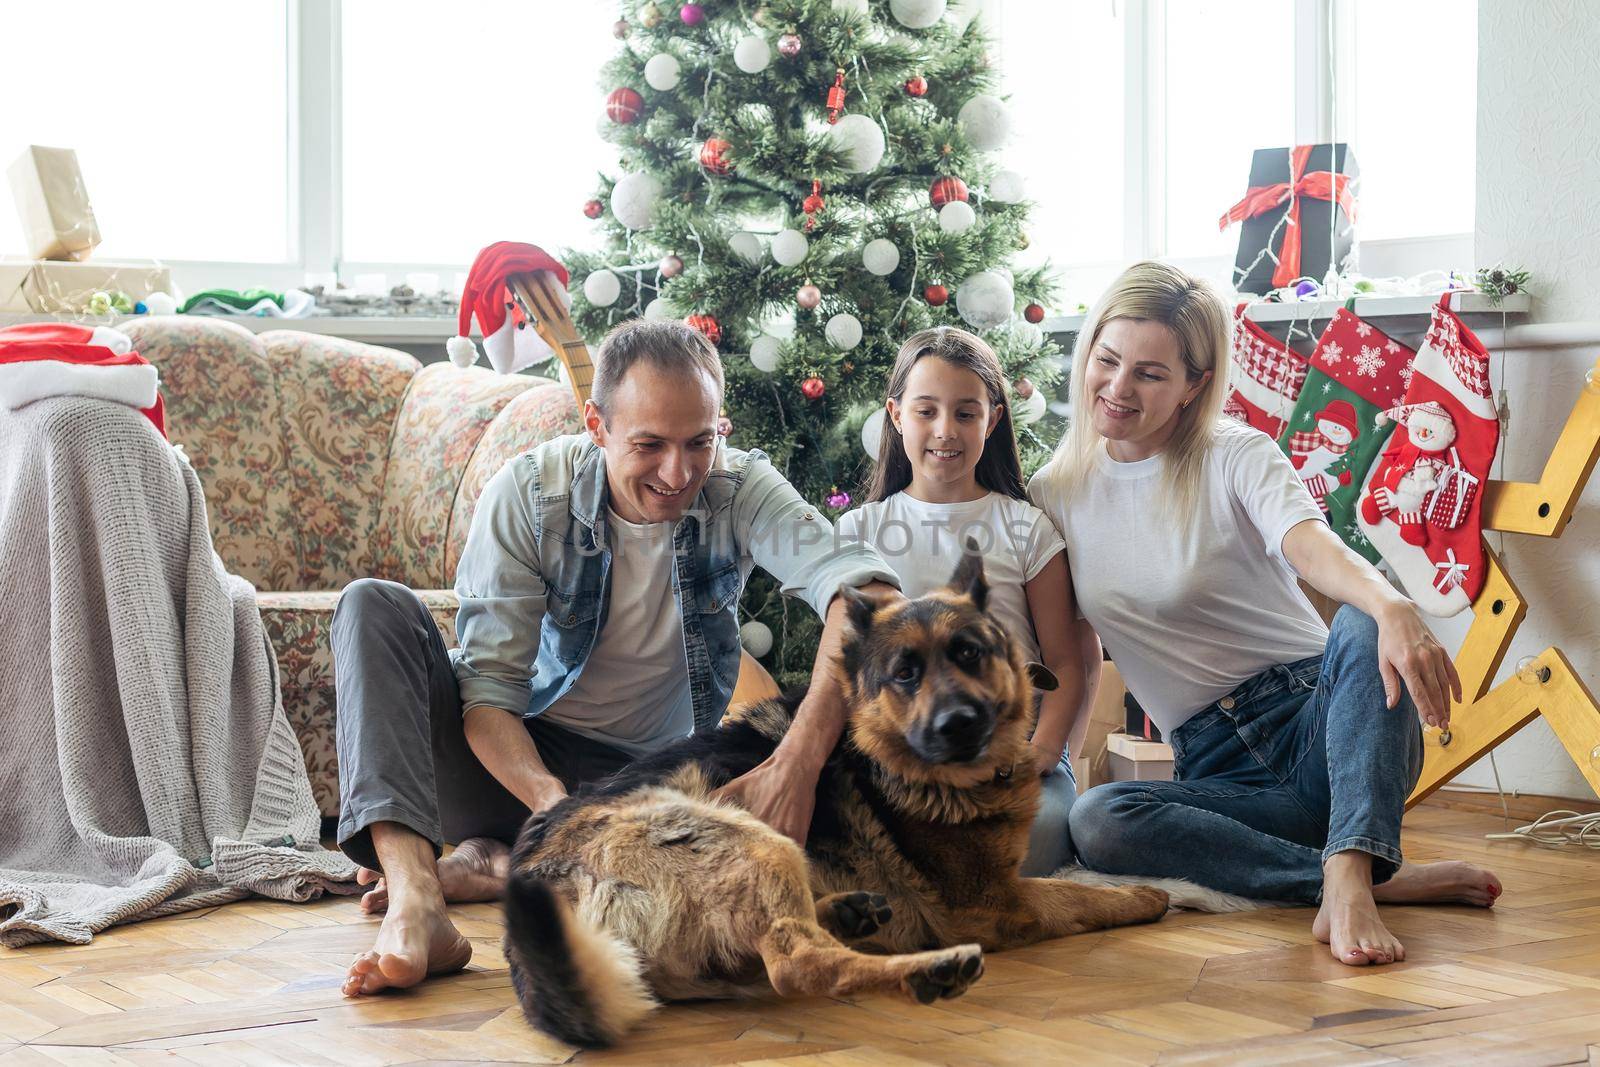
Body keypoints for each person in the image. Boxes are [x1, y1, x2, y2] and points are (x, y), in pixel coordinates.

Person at [332, 318, 898, 996]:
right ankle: (418, 897)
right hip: (508, 766)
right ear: (596, 424)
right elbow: (488, 698)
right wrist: (557, 809)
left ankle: (507, 864)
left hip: (644, 784)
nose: (678, 471)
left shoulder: (741, 487)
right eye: (649, 444)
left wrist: (795, 765)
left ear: (723, 425)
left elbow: (870, 594)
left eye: (700, 442)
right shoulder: (531, 494)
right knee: (370, 603)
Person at [1028, 261, 1501, 967]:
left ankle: (1350, 864)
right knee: (1100, 819)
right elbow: (1075, 648)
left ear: (1193, 385)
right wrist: (1047, 761)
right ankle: (1360, 875)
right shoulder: (1054, 492)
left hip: (1326, 729)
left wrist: (1392, 602)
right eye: (1108, 359)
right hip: (1218, 769)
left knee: (1364, 620)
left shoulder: (1236, 453)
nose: (1119, 388)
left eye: (1151, 374)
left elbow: (1310, 547)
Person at [837, 325, 1098, 877]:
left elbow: (1069, 661)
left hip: (1011, 750)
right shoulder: (859, 531)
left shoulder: (1026, 529)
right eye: (926, 410)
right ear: (895, 414)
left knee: (1042, 838)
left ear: (993, 419)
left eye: (965, 413)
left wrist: (1043, 755)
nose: (944, 431)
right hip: (906, 755)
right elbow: (849, 675)